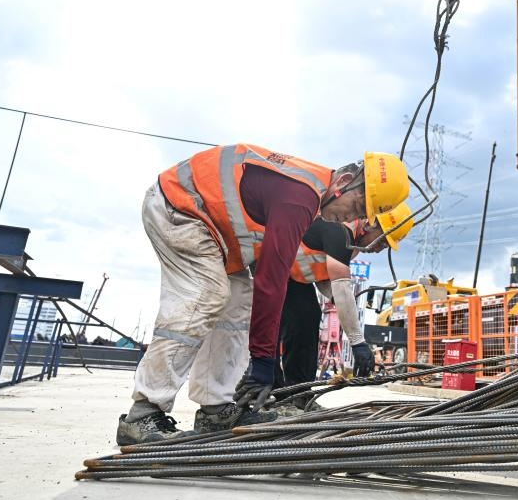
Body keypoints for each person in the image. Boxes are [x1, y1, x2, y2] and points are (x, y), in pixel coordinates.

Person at [116, 144, 408, 445]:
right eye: (358, 207)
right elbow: (271, 279)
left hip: (215, 235)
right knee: (205, 296)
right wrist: (263, 361)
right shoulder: (301, 197)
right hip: (180, 206)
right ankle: (143, 413)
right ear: (344, 183)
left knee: (237, 301)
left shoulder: (312, 201)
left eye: (361, 214)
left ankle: (215, 408)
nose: (352, 216)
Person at [276, 203, 414, 395]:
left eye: (386, 246)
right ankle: (271, 388)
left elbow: (321, 275)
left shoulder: (351, 244)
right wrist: (358, 343)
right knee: (295, 318)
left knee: (307, 316)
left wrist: (337, 300)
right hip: (273, 263)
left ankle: (297, 393)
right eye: (382, 241)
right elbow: (341, 286)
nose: (380, 249)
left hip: (292, 274)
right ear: (369, 224)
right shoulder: (340, 231)